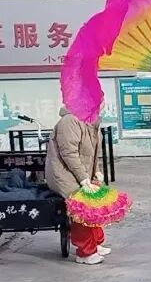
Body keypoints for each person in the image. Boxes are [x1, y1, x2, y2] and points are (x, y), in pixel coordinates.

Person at [44, 107, 107, 265]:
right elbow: (69, 154)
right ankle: (85, 252)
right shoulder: (70, 121)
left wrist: (96, 172)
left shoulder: (91, 121)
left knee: (98, 198)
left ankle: (96, 242)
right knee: (82, 205)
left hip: (81, 173)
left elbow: (93, 154)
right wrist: (83, 179)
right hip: (64, 174)